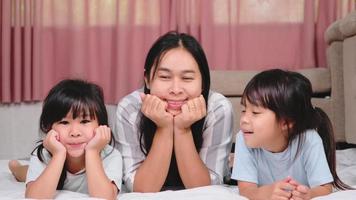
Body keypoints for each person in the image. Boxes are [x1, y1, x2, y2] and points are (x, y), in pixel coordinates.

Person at [114, 31, 233, 192]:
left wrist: (182, 130)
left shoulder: (217, 109)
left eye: (187, 78)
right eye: (164, 77)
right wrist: (164, 128)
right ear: (147, 79)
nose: (176, 90)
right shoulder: (130, 109)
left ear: (203, 82)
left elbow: (206, 190)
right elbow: (140, 189)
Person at [231, 69, 353, 200]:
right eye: (244, 110)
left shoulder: (309, 140)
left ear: (286, 122)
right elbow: (246, 189)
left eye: (255, 112)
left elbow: (325, 187)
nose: (243, 119)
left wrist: (309, 194)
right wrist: (266, 193)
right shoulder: (243, 138)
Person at [10, 79, 122, 199]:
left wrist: (92, 152)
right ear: (48, 127)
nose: (74, 133)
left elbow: (105, 197)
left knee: (29, 173)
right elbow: (35, 196)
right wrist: (58, 154)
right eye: (64, 122)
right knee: (24, 173)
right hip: (47, 165)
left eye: (85, 121)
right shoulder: (44, 154)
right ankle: (16, 168)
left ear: (101, 125)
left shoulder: (110, 155)